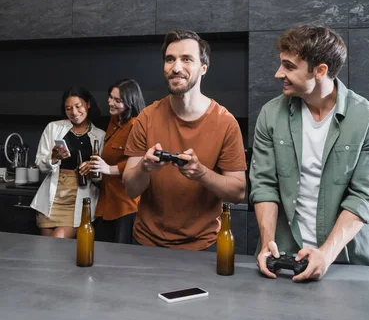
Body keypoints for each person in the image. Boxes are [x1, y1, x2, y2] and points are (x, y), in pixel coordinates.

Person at [250, 25, 369, 282]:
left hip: (349, 264)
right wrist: (268, 244)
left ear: (320, 70)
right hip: (284, 261)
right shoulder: (270, 115)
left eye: (289, 66)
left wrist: (325, 254)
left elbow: (364, 197)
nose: (278, 73)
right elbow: (264, 186)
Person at [123, 28, 247, 250]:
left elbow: (238, 192)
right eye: (170, 59)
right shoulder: (147, 118)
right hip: (145, 243)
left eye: (186, 59)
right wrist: (145, 167)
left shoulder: (225, 123)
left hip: (202, 246)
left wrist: (202, 174)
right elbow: (131, 189)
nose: (176, 67)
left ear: (203, 68)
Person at [31, 87, 105, 238]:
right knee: (47, 249)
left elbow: (100, 177)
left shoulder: (100, 135)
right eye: (68, 108)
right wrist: (54, 157)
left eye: (78, 106)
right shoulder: (53, 128)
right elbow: (40, 164)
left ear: (88, 104)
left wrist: (91, 170)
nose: (74, 112)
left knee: (58, 239)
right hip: (52, 198)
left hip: (78, 198)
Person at [88, 79, 146, 244]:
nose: (110, 102)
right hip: (106, 200)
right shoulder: (115, 120)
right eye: (110, 97)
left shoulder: (136, 125)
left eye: (117, 100)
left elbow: (138, 163)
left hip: (125, 204)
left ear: (130, 102)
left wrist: (108, 168)